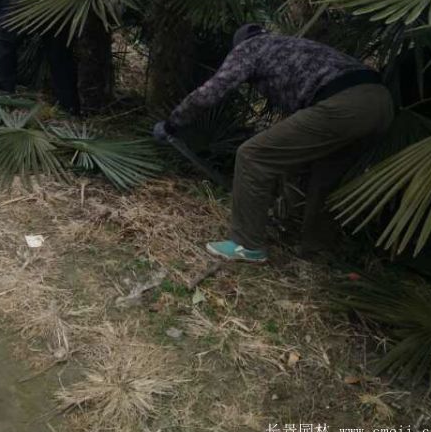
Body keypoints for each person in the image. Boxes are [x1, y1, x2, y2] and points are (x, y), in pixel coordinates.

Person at [153, 24, 394, 264]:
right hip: (381, 101)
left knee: (253, 155)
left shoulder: (250, 48)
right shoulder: (290, 44)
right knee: (326, 176)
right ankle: (319, 250)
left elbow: (210, 92)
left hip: (343, 105)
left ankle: (246, 244)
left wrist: (173, 124)